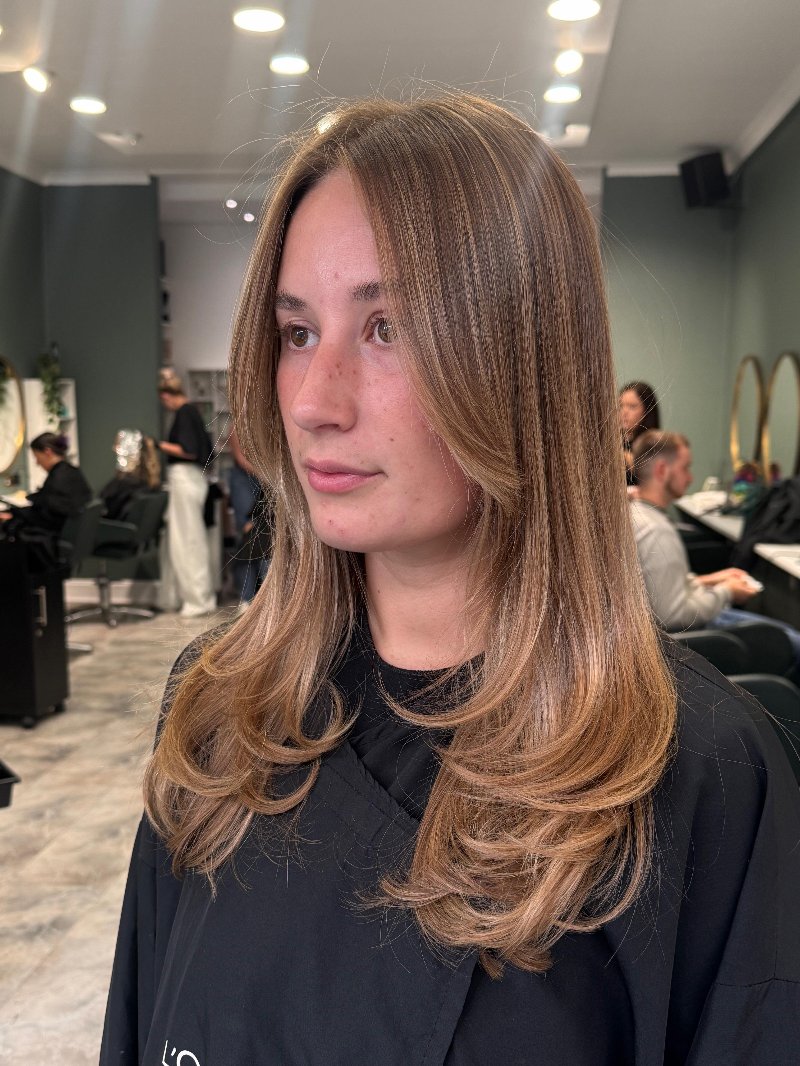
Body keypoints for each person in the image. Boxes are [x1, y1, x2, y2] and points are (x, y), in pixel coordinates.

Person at [102, 96, 800, 1065]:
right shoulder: (219, 709)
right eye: (296, 333)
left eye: (387, 327)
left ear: (527, 362)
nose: (313, 402)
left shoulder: (700, 782)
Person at [630, 430, 800, 662]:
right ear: (662, 470)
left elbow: (660, 587)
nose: (690, 478)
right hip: (688, 641)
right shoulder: (655, 531)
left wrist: (712, 580)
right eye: (685, 468)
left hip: (680, 622)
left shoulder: (637, 514)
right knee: (790, 641)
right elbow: (672, 615)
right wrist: (727, 592)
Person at [157, 376, 216, 618]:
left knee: (188, 540)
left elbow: (188, 451)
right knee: (189, 538)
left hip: (185, 479)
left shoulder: (184, 413)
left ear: (166, 396)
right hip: (192, 480)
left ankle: (197, 599)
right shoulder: (193, 413)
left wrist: (159, 445)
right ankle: (195, 596)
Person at [0, 431, 91, 534]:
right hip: (73, 533)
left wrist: (14, 514)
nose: (37, 463)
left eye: (37, 457)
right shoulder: (72, 472)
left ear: (48, 452)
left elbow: (46, 515)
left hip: (56, 534)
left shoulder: (58, 478)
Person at [99, 429, 161, 521]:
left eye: (119, 447)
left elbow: (103, 510)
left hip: (114, 527)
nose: (114, 449)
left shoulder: (123, 484)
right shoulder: (151, 483)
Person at [619, 380, 660, 484]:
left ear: (647, 411)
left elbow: (651, 474)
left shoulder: (655, 443)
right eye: (620, 406)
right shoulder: (614, 441)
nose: (624, 412)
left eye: (632, 406)